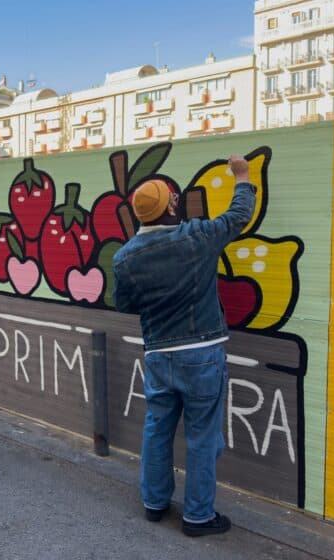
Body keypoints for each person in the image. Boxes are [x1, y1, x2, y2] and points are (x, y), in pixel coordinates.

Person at [112, 155, 256, 537]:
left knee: (157, 429)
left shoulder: (125, 258)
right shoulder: (197, 237)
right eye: (173, 200)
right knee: (202, 437)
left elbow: (124, 303)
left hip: (159, 354)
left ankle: (154, 504)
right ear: (170, 207)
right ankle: (197, 517)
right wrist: (242, 176)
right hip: (201, 354)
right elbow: (239, 215)